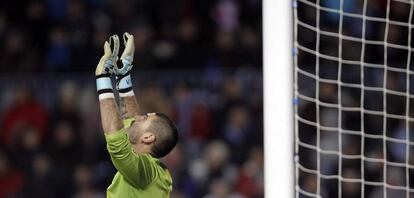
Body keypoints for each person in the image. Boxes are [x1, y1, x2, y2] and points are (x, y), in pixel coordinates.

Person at [95, 33, 179, 197]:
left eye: (145, 118)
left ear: (148, 138)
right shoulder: (149, 172)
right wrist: (123, 76)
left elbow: (116, 140)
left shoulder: (146, 173)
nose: (138, 117)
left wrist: (103, 78)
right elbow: (129, 124)